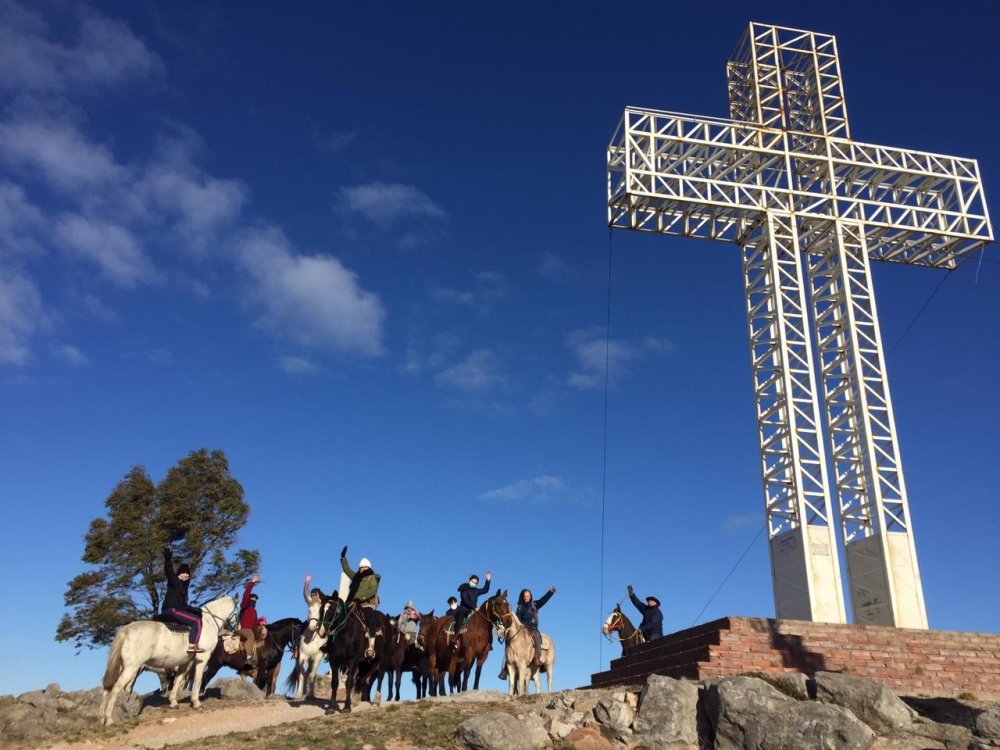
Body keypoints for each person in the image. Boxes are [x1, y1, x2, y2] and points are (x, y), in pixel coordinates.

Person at [498, 586, 556, 679]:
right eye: (525, 596)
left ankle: (536, 659)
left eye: (528, 596)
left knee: (537, 637)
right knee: (508, 641)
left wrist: (550, 592)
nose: (526, 597)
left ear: (530, 596)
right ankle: (505, 668)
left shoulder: (535, 604)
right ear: (522, 597)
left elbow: (543, 600)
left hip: (532, 628)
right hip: (522, 629)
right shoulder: (519, 608)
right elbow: (516, 619)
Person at [162, 545, 204, 654]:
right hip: (171, 610)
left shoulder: (184, 588)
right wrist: (167, 560)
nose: (185, 575)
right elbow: (169, 572)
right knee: (197, 621)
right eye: (183, 573)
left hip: (177, 609)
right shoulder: (174, 581)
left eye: (187, 574)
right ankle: (192, 645)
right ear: (179, 573)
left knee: (195, 616)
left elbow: (183, 605)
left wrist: (193, 609)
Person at [341, 546, 381, 654]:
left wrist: (361, 598)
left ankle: (371, 646)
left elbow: (372, 590)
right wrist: (343, 558)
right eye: (361, 567)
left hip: (366, 604)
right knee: (340, 616)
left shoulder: (372, 577)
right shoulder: (356, 577)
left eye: (364, 567)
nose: (362, 569)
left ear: (368, 568)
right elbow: (347, 570)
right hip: (353, 603)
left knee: (370, 619)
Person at [451, 571, 491, 648]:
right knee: (460, 618)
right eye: (472, 581)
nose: (473, 583)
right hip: (464, 609)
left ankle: (487, 641)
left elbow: (485, 590)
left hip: (474, 610)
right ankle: (455, 637)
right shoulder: (463, 588)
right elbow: (465, 600)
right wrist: (474, 607)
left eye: (475, 583)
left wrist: (488, 580)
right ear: (469, 580)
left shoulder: (475, 591)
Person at [238, 574, 261, 669]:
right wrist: (252, 582)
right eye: (252, 598)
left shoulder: (254, 611)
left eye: (255, 599)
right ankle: (248, 656)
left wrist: (261, 623)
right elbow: (246, 593)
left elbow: (255, 623)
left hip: (251, 629)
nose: (254, 600)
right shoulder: (245, 605)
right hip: (243, 629)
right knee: (250, 635)